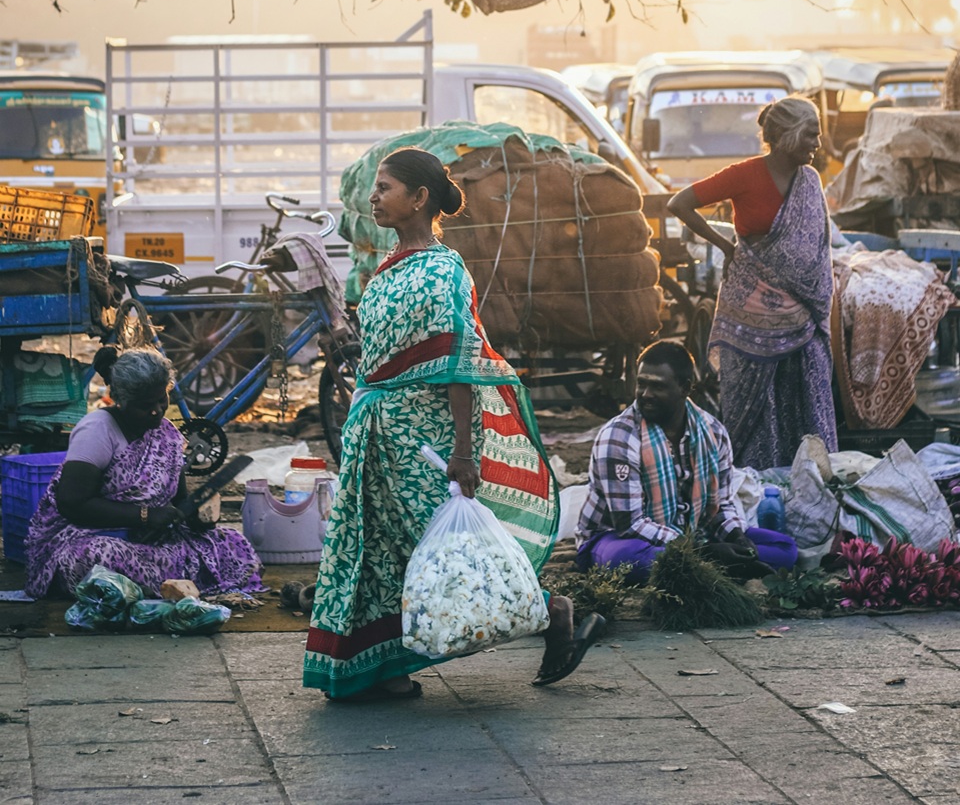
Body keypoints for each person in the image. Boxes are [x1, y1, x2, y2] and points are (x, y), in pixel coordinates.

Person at [303, 147, 605, 702]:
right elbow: (388, 346)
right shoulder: (385, 267)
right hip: (379, 435)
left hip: (429, 443)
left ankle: (550, 612)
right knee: (381, 550)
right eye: (376, 187)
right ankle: (386, 667)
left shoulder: (443, 270)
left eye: (386, 187)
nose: (374, 197)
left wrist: (464, 453)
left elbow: (458, 365)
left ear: (419, 199)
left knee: (448, 552)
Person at [667, 95, 837, 469]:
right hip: (751, 306)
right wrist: (725, 245)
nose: (817, 144)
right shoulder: (743, 175)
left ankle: (811, 478)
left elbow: (817, 248)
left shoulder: (809, 181)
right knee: (754, 402)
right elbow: (679, 204)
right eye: (811, 134)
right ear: (786, 135)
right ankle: (755, 479)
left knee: (804, 393)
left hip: (802, 312)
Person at [25, 347, 261, 598]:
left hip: (152, 540)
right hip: (90, 536)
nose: (156, 411)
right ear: (121, 400)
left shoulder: (167, 433)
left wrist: (196, 518)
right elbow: (72, 503)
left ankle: (158, 587)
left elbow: (179, 498)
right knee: (97, 558)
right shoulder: (97, 430)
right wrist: (145, 516)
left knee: (232, 543)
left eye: (162, 400)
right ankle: (158, 585)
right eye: (145, 405)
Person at [576, 341, 797, 581]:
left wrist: (737, 538)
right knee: (627, 559)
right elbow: (630, 524)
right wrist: (705, 552)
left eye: (657, 386)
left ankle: (707, 565)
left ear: (685, 388)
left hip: (693, 534)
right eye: (641, 383)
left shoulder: (713, 432)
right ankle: (712, 564)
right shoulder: (619, 437)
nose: (645, 394)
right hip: (616, 539)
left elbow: (720, 506)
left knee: (785, 549)